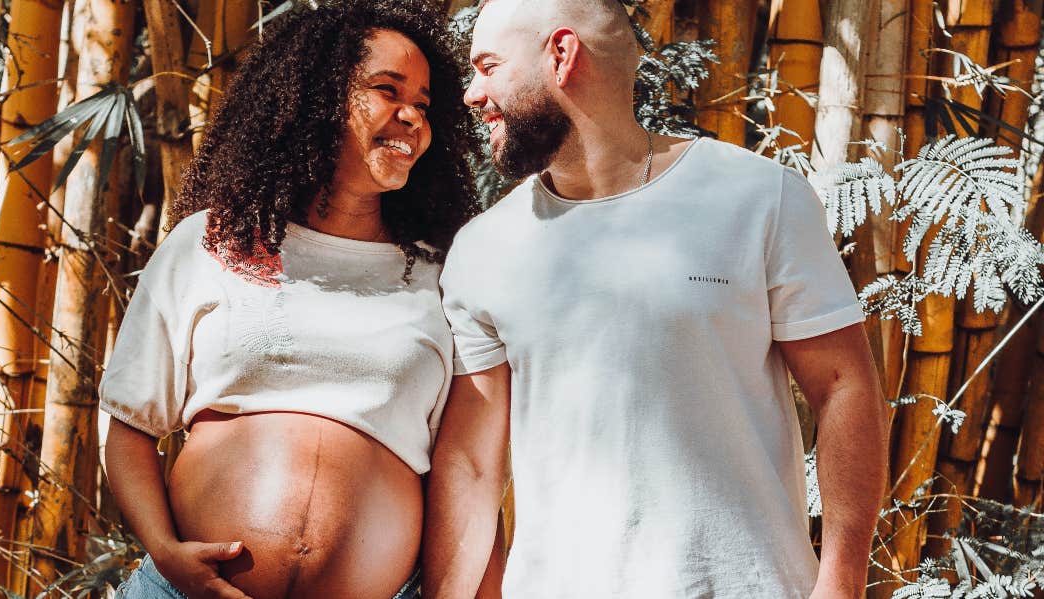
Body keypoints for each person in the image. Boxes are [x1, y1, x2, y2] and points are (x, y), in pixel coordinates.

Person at [423, 0, 889, 597]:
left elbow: (843, 384)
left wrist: (842, 582)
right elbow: (471, 462)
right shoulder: (483, 249)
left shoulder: (757, 198)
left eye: (488, 66)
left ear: (561, 55)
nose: (471, 93)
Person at [100, 2, 478, 598]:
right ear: (317, 97)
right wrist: (168, 556)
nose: (412, 118)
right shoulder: (211, 241)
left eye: (425, 106)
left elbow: (468, 473)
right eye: (388, 90)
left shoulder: (448, 274)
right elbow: (128, 426)